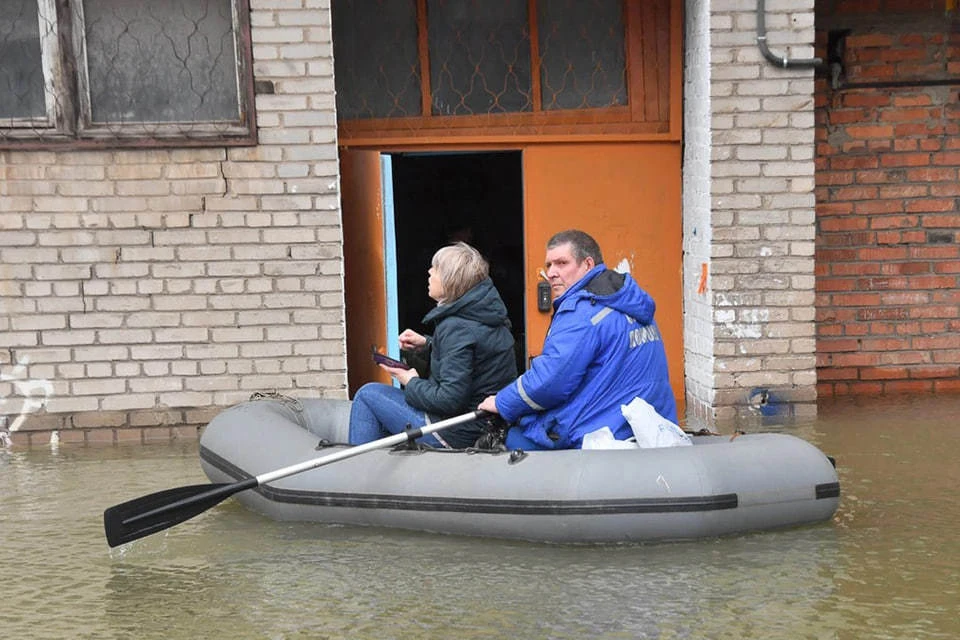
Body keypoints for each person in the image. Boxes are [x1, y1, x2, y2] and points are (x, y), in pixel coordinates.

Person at [478, 229, 677, 450]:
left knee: (512, 439)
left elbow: (552, 381)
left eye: (562, 263)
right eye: (549, 265)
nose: (552, 273)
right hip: (648, 425)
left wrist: (502, 402)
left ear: (588, 265)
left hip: (608, 430)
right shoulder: (630, 302)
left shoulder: (582, 312)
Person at [349, 242, 518, 448]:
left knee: (367, 395)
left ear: (450, 280)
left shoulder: (456, 327)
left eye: (435, 269)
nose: (429, 272)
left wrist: (410, 381)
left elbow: (449, 400)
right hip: (489, 426)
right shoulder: (486, 314)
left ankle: (356, 474)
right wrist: (427, 344)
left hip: (457, 431)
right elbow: (474, 354)